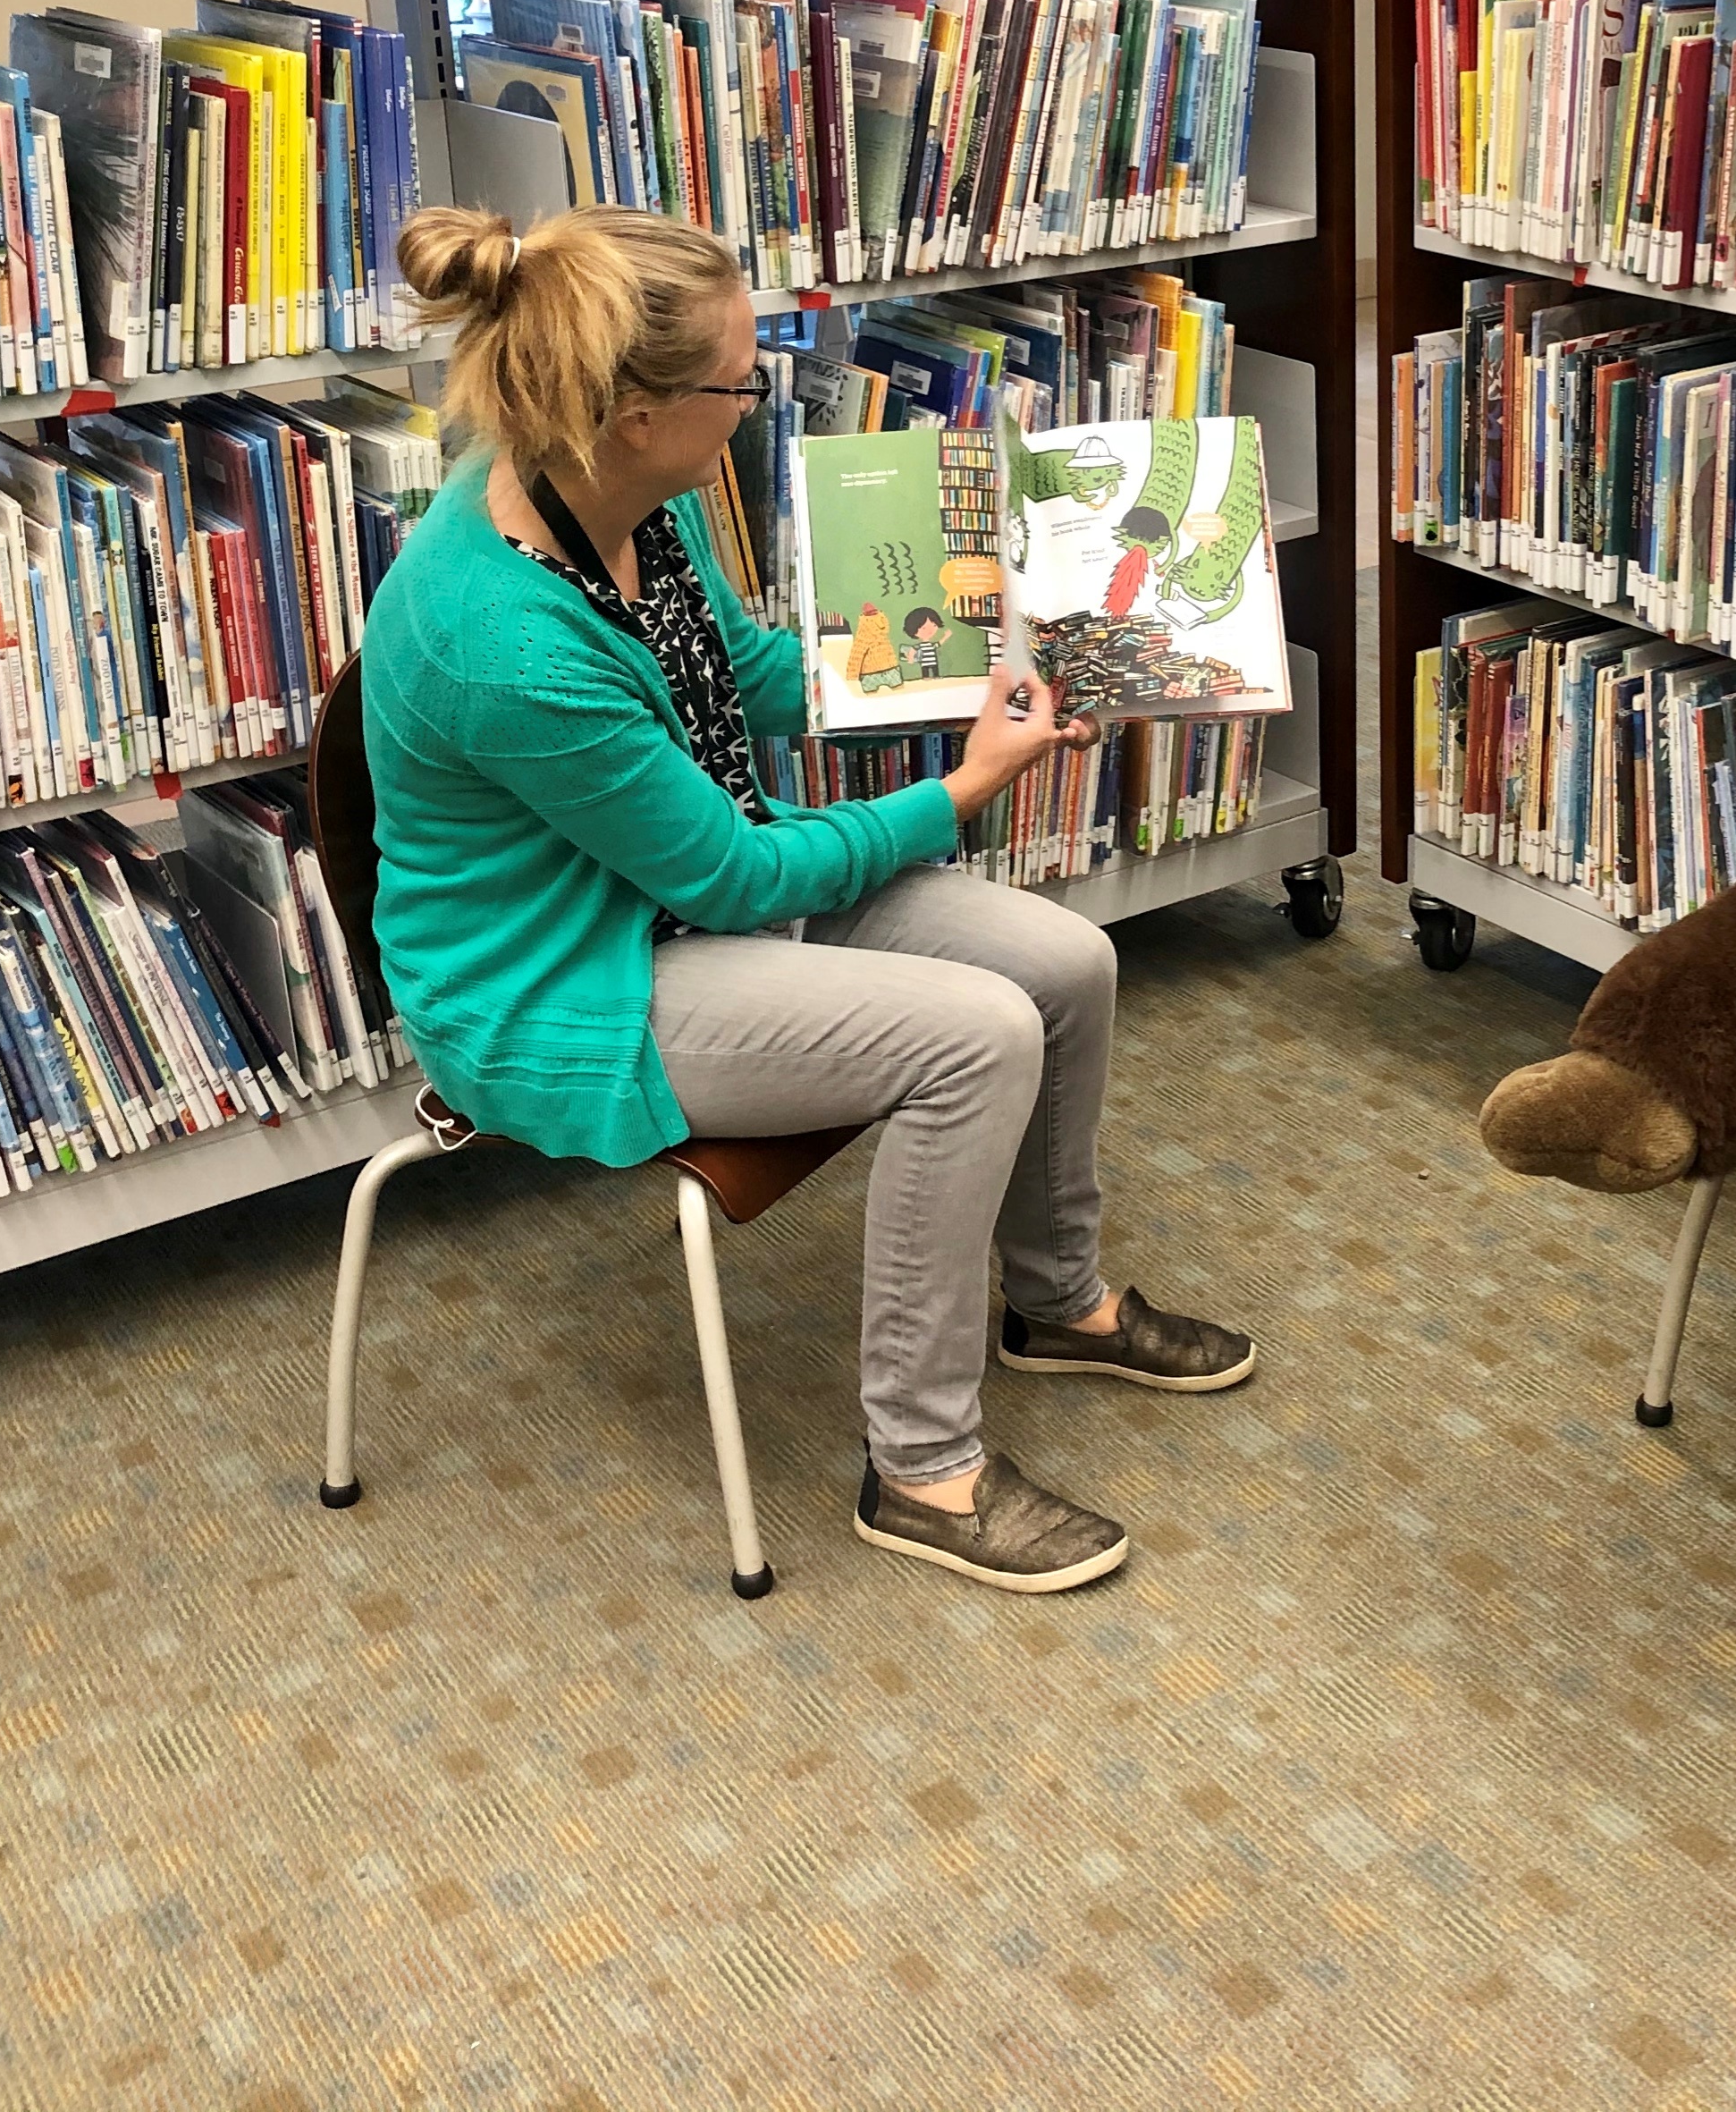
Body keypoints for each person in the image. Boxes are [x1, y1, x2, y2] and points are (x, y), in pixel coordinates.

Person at [362, 203, 1253, 1594]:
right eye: (737, 379)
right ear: (639, 411)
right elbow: (736, 873)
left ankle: (1058, 1301)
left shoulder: (621, 499)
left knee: (1066, 962)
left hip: (676, 892)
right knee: (977, 1038)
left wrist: (983, 668)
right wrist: (964, 791)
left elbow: (747, 677)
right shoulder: (503, 641)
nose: (754, 399)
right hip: (563, 979)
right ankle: (923, 1469)